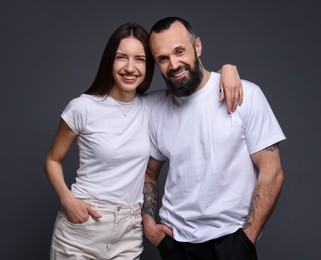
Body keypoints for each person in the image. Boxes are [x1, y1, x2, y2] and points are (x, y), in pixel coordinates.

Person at [44, 22, 242, 260]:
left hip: (129, 231)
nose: (130, 67)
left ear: (150, 66)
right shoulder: (83, 107)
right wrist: (67, 199)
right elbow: (52, 160)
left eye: (139, 59)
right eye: (121, 58)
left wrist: (228, 69)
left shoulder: (153, 106)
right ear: (110, 61)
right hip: (83, 228)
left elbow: (198, 85)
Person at [142, 17, 286, 260]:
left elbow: (272, 172)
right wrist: (148, 223)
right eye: (163, 58)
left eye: (179, 51)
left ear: (197, 46)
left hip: (233, 242)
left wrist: (247, 239)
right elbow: (149, 173)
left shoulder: (246, 95)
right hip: (176, 244)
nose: (174, 64)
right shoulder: (156, 109)